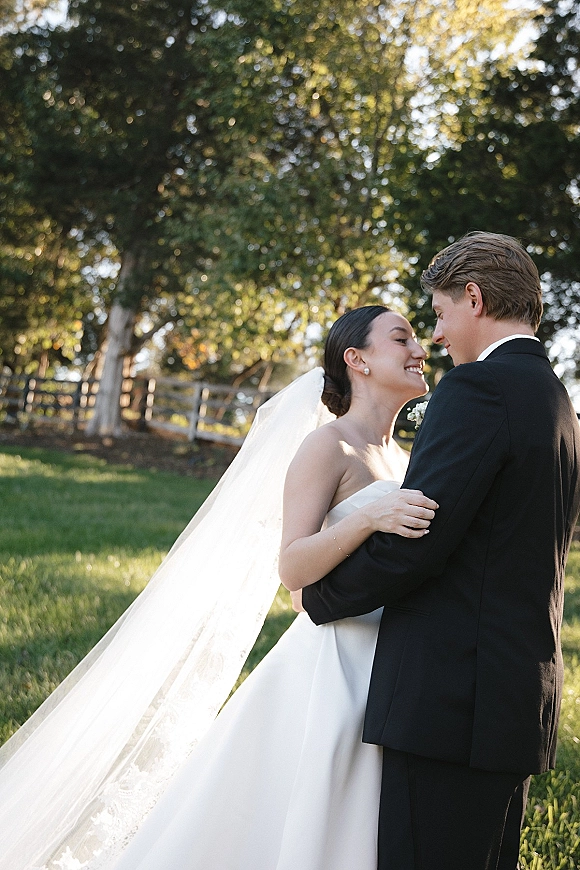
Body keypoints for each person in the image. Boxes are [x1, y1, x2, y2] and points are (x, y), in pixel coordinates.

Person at [0, 305, 437, 870]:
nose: (419, 349)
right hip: (331, 664)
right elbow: (293, 568)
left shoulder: (403, 458)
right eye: (401, 338)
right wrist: (367, 520)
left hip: (389, 659)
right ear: (357, 361)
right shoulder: (329, 447)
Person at [302, 231, 580, 870]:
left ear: (475, 299)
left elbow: (416, 542)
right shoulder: (554, 400)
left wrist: (319, 595)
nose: (436, 335)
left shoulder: (478, 389)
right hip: (512, 699)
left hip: (451, 705)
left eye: (440, 313)